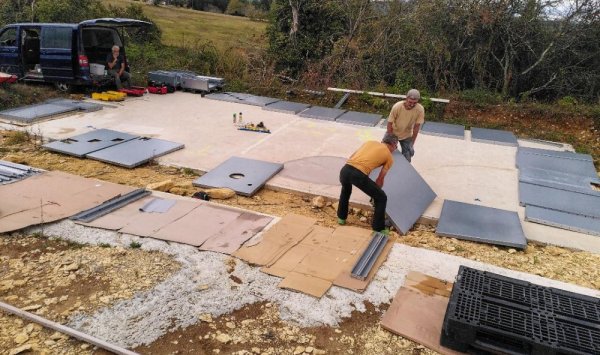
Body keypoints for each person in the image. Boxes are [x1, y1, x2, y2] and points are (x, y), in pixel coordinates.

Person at [337, 133, 397, 234]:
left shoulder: (369, 142)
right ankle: (378, 228)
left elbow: (352, 156)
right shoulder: (389, 157)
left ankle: (341, 218)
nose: (395, 149)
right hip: (358, 175)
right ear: (392, 144)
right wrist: (375, 195)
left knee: (346, 190)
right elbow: (380, 179)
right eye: (396, 146)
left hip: (345, 170)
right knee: (382, 197)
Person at [386, 89, 425, 163]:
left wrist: (412, 143)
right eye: (410, 102)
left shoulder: (420, 109)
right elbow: (389, 123)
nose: (412, 104)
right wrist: (390, 139)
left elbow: (416, 128)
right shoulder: (397, 106)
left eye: (415, 103)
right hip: (393, 132)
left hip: (406, 135)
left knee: (409, 154)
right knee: (384, 152)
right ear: (406, 98)